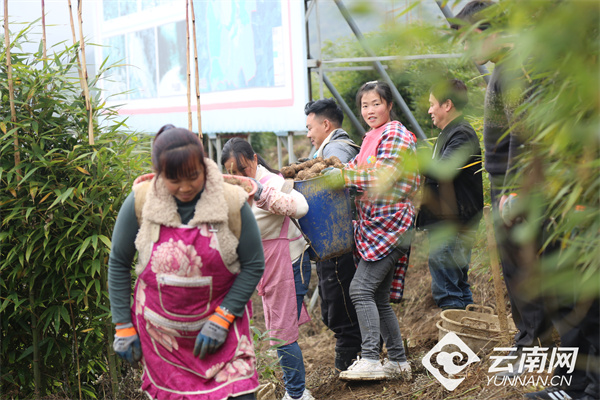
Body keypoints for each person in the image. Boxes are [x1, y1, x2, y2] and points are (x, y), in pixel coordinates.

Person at [454, 3, 599, 399]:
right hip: (524, 199)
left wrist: (518, 190)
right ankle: (569, 383)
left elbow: (534, 133)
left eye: (469, 38)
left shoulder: (525, 65)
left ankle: (585, 387)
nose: (467, 48)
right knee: (562, 299)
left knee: (574, 298)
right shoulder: (507, 67)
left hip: (543, 200)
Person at [107, 126, 265, 400]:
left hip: (222, 332)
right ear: (158, 174)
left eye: (194, 176)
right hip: (163, 343)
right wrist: (123, 324)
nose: (185, 187)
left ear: (204, 165)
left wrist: (224, 316)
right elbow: (119, 262)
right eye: (173, 179)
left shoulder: (230, 202)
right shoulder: (141, 201)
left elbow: (253, 264)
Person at [324, 81, 420, 381]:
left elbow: (383, 175)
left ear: (388, 104)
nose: (370, 110)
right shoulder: (371, 138)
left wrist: (340, 175)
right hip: (375, 226)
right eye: (365, 105)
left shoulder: (396, 134)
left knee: (360, 289)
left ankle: (369, 358)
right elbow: (352, 168)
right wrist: (326, 170)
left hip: (391, 225)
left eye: (376, 103)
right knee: (377, 297)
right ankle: (398, 362)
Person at [221, 138, 315, 400]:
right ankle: (295, 390)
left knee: (281, 334)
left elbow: (302, 207)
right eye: (232, 173)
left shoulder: (271, 183)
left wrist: (261, 193)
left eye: (243, 170)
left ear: (254, 159)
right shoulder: (234, 190)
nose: (240, 177)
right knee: (278, 330)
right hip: (269, 269)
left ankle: (297, 394)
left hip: (289, 265)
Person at [304, 99, 362, 372]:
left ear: (326, 124)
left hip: (337, 239)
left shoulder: (337, 148)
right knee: (334, 302)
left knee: (340, 303)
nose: (307, 134)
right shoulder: (327, 148)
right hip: (333, 237)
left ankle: (351, 361)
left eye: (310, 127)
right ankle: (353, 356)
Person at [416, 79, 483, 310]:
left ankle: (456, 341)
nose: (429, 110)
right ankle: (469, 338)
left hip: (453, 225)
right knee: (458, 285)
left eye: (432, 104)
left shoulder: (462, 134)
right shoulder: (450, 133)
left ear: (447, 105)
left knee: (448, 290)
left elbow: (444, 171)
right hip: (451, 222)